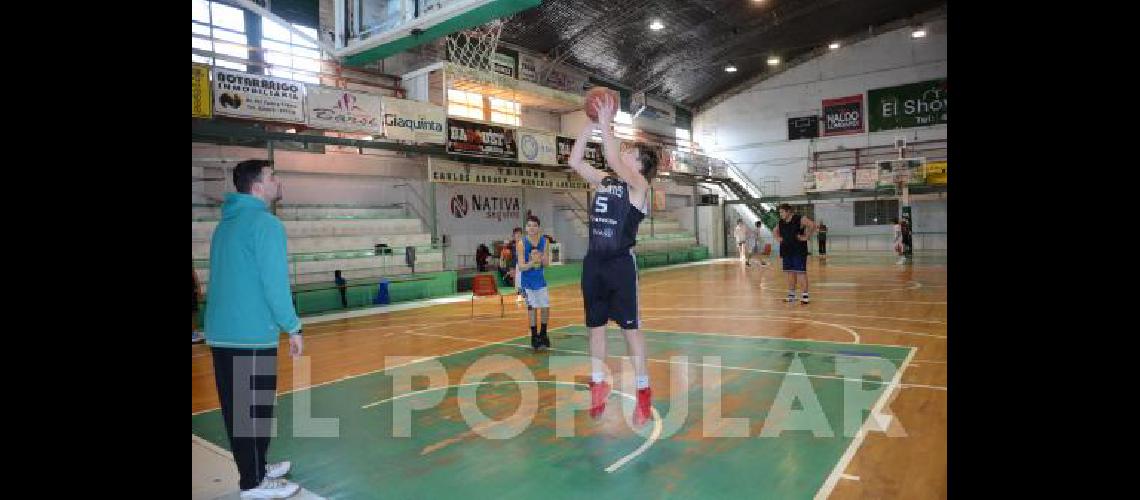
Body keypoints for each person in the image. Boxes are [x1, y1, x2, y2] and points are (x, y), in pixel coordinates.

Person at [205, 159, 305, 499]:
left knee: (245, 410)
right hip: (249, 334)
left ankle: (257, 466)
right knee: (252, 411)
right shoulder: (266, 224)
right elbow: (275, 284)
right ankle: (253, 483)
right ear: (258, 186)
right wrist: (292, 326)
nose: (278, 181)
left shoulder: (225, 225)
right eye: (272, 176)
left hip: (224, 333)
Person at [565, 93, 655, 426]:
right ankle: (598, 383)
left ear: (640, 164)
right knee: (595, 328)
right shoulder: (608, 180)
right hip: (595, 262)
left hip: (619, 264)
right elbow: (575, 162)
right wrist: (590, 127)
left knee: (631, 330)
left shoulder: (639, 185)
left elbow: (614, 160)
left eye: (630, 153)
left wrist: (606, 124)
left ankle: (643, 390)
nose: (624, 154)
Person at [517, 215, 552, 350]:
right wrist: (533, 262)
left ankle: (543, 334)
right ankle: (534, 336)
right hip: (526, 282)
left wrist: (542, 257)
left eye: (534, 225)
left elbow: (547, 264)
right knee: (532, 309)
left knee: (545, 307)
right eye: (529, 225)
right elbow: (521, 267)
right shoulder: (521, 244)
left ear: (539, 228)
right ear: (526, 228)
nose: (532, 228)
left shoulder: (545, 241)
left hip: (540, 280)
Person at [773, 203, 815, 305]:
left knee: (801, 273)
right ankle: (792, 295)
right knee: (790, 273)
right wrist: (778, 238)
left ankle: (805, 296)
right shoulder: (781, 222)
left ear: (788, 212)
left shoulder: (799, 219)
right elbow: (775, 231)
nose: (781, 214)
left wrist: (806, 236)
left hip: (798, 250)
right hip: (786, 250)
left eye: (782, 212)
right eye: (780, 213)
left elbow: (812, 225)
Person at [193, 266, 205, 344]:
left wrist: (199, 294)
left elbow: (197, 283)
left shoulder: (193, 272)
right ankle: (194, 333)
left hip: (193, 296)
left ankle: (194, 333)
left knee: (194, 315)